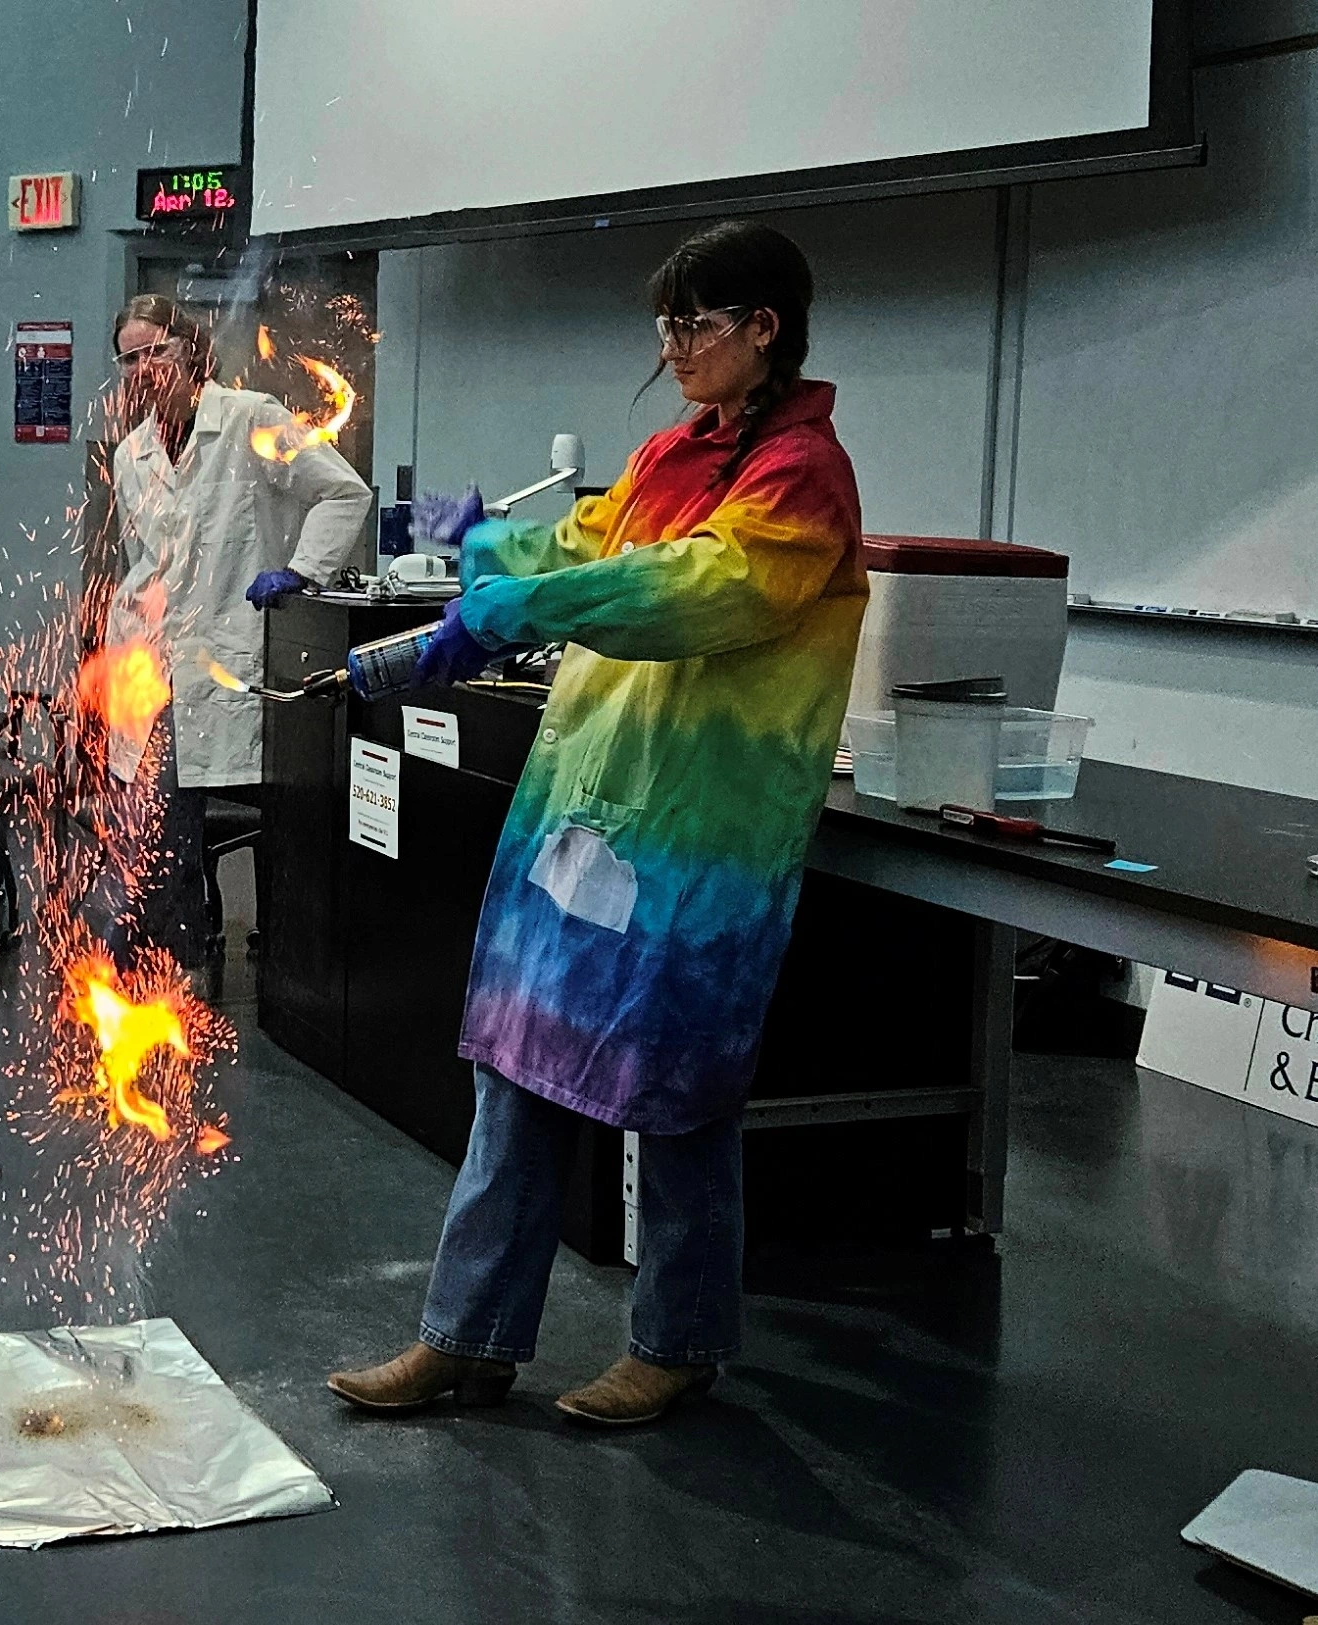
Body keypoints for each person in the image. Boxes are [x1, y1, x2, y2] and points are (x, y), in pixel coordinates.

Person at [329, 221, 869, 1426]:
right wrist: (474, 546)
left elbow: (696, 586)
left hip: (698, 832)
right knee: (517, 1063)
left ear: (762, 327)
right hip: (589, 805)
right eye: (667, 326)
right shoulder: (674, 451)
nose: (672, 348)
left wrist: (520, 603)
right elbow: (591, 535)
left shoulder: (803, 478)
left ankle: (677, 1341)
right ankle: (466, 1334)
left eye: (694, 324)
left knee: (676, 1082)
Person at [104, 293, 371, 963]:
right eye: (129, 358)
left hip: (239, 655)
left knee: (286, 818)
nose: (144, 368)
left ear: (191, 350)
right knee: (158, 824)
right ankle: (172, 966)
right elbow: (145, 563)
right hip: (152, 663)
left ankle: (290, 959)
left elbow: (343, 492)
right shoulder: (130, 453)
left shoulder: (252, 419)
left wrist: (303, 572)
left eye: (156, 351)